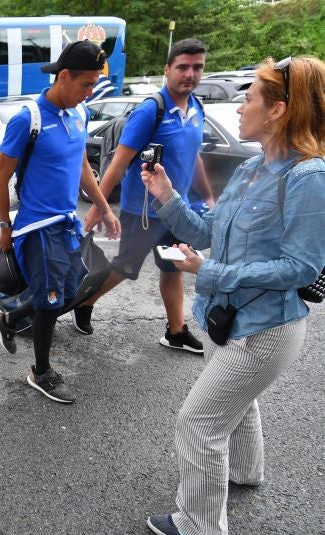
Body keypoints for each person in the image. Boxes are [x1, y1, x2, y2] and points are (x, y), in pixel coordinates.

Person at [140, 56, 325, 535]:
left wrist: (211, 271)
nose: (240, 107)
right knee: (237, 402)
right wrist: (165, 195)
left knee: (199, 420)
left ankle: (201, 525)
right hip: (233, 321)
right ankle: (245, 471)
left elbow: (301, 268)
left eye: (250, 99)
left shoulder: (309, 177)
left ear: (278, 111)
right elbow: (210, 232)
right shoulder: (251, 169)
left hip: (267, 329)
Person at [0, 40, 121, 404]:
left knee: (69, 289)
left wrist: (104, 207)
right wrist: (4, 226)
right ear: (64, 76)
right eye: (87, 84)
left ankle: (10, 319)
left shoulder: (80, 114)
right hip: (36, 229)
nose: (90, 92)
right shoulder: (26, 119)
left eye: (95, 84)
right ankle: (41, 372)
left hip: (67, 225)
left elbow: (81, 167)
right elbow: (0, 178)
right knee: (50, 301)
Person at [78, 39, 215, 354]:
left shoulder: (196, 107)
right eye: (183, 67)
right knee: (126, 267)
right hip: (142, 212)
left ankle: (176, 331)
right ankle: (85, 302)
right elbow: (120, 160)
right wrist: (100, 206)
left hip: (176, 210)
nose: (190, 74)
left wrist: (207, 197)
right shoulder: (151, 110)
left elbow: (193, 158)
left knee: (174, 266)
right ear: (168, 70)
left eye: (198, 67)